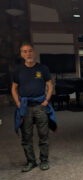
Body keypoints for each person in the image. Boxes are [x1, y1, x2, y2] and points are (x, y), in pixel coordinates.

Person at [12, 42, 57, 172]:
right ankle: (31, 161)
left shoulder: (43, 68)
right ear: (21, 54)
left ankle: (44, 160)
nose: (28, 53)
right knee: (26, 136)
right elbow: (14, 88)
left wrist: (46, 100)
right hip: (25, 107)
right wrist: (18, 103)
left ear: (34, 52)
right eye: (25, 51)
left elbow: (50, 85)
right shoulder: (18, 70)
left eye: (30, 51)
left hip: (40, 106)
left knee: (43, 135)